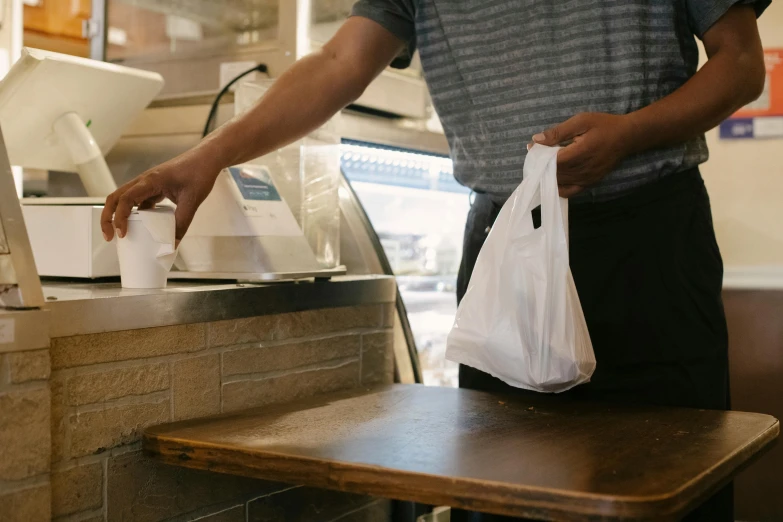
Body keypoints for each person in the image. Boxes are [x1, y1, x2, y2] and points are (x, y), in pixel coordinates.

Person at [101, 1, 768, 520]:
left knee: (669, 483)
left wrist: (631, 133)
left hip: (644, 240)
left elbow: (739, 62)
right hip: (501, 245)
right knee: (505, 493)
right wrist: (208, 156)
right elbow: (340, 61)